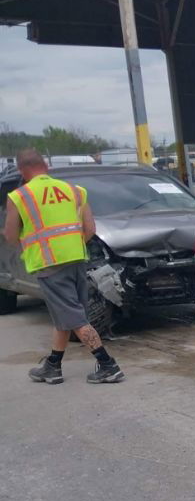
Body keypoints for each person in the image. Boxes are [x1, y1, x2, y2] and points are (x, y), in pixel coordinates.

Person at [2, 149, 123, 384]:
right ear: (46, 166)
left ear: (21, 171)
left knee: (75, 318)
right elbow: (89, 229)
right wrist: (69, 246)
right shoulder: (75, 191)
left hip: (48, 263)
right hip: (76, 258)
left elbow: (10, 236)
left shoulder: (19, 196)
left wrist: (30, 245)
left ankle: (108, 364)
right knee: (65, 315)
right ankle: (53, 366)